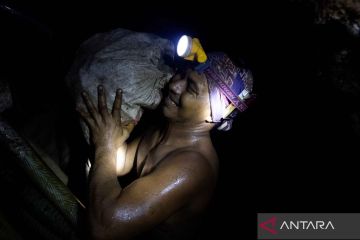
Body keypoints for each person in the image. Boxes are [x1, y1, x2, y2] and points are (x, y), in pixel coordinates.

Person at [77, 52, 254, 240]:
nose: (175, 86)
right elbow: (123, 161)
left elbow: (103, 228)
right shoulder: (168, 128)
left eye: (192, 87)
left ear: (215, 113)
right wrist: (108, 137)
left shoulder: (193, 167)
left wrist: (105, 146)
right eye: (182, 75)